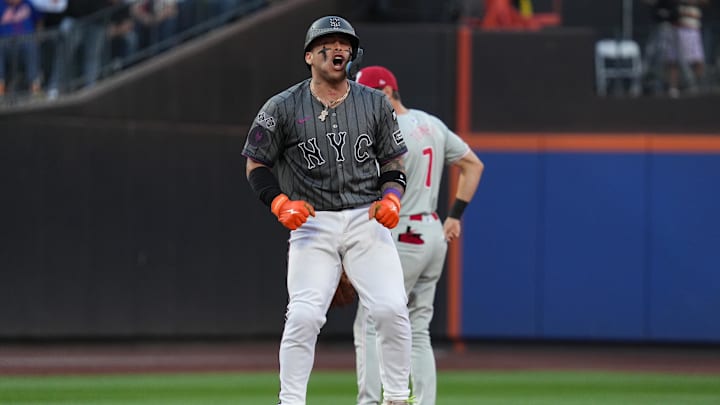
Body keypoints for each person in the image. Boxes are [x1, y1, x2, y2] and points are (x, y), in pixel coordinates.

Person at [241, 16, 413, 405]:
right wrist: (278, 202)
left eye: (345, 44)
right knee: (303, 316)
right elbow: (256, 164)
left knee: (390, 308)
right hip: (313, 224)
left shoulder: (374, 102)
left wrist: (392, 198)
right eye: (329, 42)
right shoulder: (282, 106)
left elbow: (394, 163)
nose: (339, 49)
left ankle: (398, 397)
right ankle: (291, 401)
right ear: (309, 55)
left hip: (364, 219)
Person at [354, 66, 485, 405]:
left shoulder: (385, 131)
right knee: (418, 329)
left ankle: (370, 401)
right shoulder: (431, 124)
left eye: (366, 95)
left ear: (385, 93)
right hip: (432, 231)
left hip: (401, 233)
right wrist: (455, 215)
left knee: (370, 321)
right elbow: (473, 166)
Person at [0, 0, 41, 97]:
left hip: (26, 43)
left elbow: (39, 20)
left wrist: (39, 37)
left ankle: (35, 89)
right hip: (5, 46)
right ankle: (1, 91)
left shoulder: (28, 4)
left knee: (30, 45)